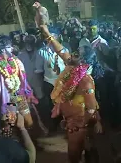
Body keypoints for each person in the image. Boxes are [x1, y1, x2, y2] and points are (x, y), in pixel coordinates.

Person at [40, 25, 103, 163]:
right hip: (72, 122)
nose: (72, 53)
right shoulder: (73, 69)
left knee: (74, 156)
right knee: (81, 154)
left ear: (83, 61)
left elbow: (91, 108)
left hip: (79, 124)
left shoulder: (85, 81)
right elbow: (61, 51)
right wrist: (47, 33)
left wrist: (82, 126)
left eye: (77, 53)